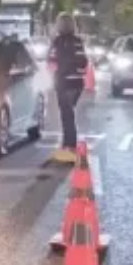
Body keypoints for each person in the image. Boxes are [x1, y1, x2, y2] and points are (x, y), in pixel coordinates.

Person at [48, 12, 88, 164]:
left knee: (66, 114)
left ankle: (69, 145)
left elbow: (51, 60)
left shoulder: (57, 42)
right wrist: (77, 70)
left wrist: (59, 70)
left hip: (63, 82)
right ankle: (69, 143)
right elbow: (83, 61)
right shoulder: (78, 41)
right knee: (69, 112)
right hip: (77, 83)